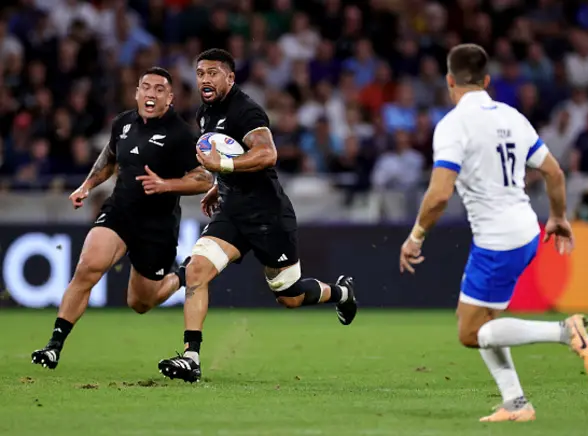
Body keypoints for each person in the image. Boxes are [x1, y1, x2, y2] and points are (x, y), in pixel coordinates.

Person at [398, 44, 588, 422]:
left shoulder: (453, 125)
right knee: (487, 325)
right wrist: (557, 217)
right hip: (526, 229)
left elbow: (439, 194)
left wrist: (416, 236)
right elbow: (554, 172)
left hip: (497, 241)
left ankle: (566, 330)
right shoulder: (512, 117)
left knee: (470, 332)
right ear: (487, 80)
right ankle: (516, 404)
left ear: (449, 81)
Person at [157, 49, 357, 383]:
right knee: (196, 271)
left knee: (289, 295)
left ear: (230, 78)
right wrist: (220, 185)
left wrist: (225, 167)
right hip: (233, 212)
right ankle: (191, 356)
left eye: (213, 73)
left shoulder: (246, 110)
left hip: (268, 215)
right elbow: (228, 156)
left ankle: (342, 293)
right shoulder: (205, 112)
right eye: (200, 73)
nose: (205, 79)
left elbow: (267, 153)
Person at [31, 67, 213, 369]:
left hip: (157, 226)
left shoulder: (180, 134)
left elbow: (204, 178)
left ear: (169, 98)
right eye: (146, 87)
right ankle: (54, 346)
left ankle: (181, 276)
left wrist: (166, 185)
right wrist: (87, 186)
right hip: (120, 212)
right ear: (136, 93)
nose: (151, 94)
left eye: (159, 89)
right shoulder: (123, 123)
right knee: (88, 267)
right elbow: (110, 159)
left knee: (140, 303)